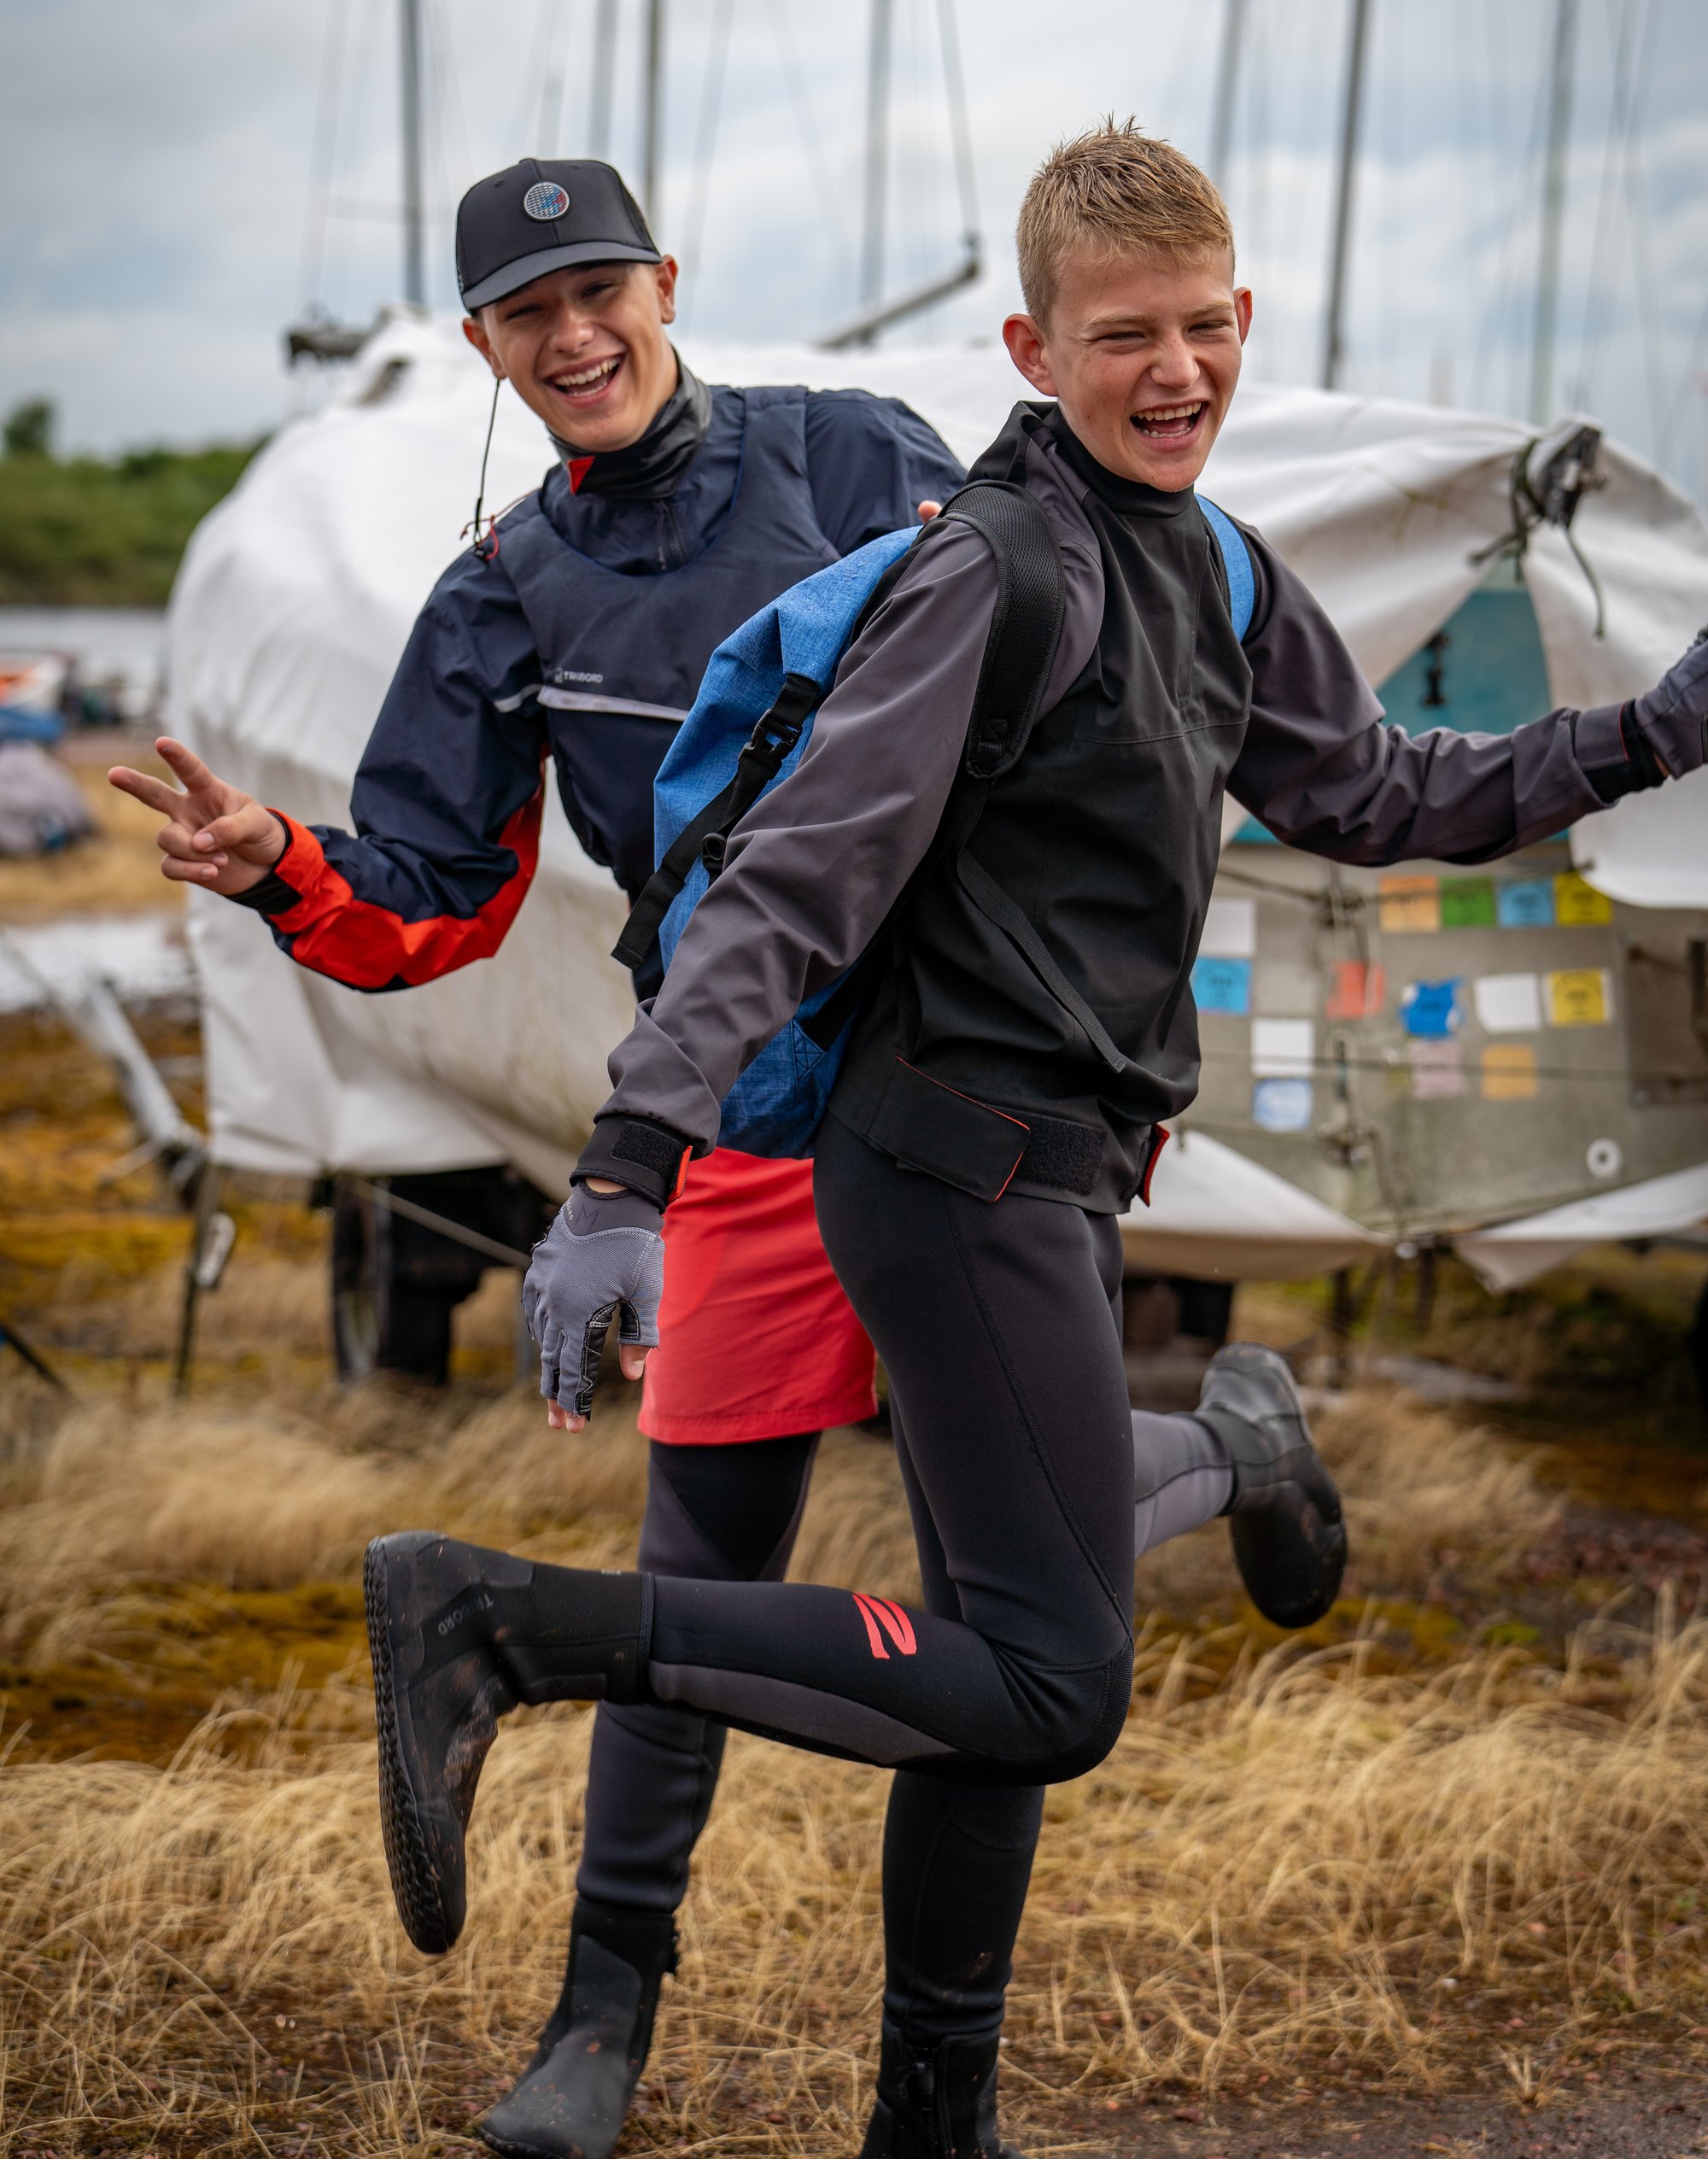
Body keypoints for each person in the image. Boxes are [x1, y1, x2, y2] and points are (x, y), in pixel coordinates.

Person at [343, 120, 1708, 2157]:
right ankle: (505, 1624)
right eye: (1122, 336)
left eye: (1203, 328)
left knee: (1002, 1660)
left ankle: (934, 2114)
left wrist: (1658, 728)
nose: (1175, 370)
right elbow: (795, 882)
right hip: (938, 1166)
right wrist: (626, 1170)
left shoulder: (1215, 561)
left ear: (1242, 320)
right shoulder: (992, 569)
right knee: (1052, 1682)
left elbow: (1376, 794)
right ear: (1032, 349)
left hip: (1061, 1164)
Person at [113, 151, 1345, 2159]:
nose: (573, 335)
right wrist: (279, 869)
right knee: (709, 1563)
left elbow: (1057, 690)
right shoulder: (502, 591)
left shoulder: (862, 458)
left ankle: (936, 2094)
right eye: (529, 313)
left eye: (599, 289)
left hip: (969, 1092)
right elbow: (433, 896)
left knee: (996, 1616)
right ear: (483, 345)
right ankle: (602, 2017)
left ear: (666, 283)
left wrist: (1100, 988)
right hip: (754, 1118)